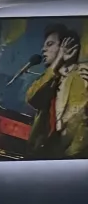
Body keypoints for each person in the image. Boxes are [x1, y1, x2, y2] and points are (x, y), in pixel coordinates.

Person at [25, 24, 88, 158]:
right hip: (45, 152)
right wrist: (58, 60)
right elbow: (32, 98)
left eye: (50, 44)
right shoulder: (50, 79)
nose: (43, 49)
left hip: (75, 154)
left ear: (68, 45)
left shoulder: (82, 74)